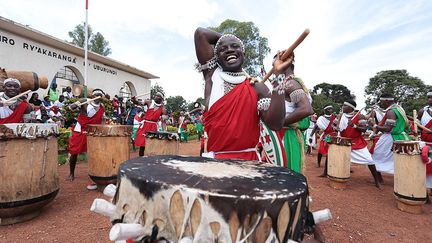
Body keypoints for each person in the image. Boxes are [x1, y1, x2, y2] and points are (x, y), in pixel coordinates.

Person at [194, 28, 286, 160]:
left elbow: (275, 124)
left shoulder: (258, 88)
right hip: (215, 165)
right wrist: (228, 38)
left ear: (244, 53)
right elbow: (200, 34)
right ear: (217, 58)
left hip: (248, 164)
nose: (229, 50)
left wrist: (279, 77)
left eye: (235, 46)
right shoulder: (212, 77)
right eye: (223, 49)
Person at [274, 56, 313, 173]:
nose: (273, 68)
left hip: (286, 136)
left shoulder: (290, 83)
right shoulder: (288, 82)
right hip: (286, 135)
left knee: (284, 176)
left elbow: (306, 109)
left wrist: (278, 123)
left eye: (274, 63)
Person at [337, 100, 381, 187]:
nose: (343, 107)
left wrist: (354, 126)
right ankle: (335, 175)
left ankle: (377, 181)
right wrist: (336, 128)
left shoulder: (360, 116)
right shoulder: (341, 115)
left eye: (345, 106)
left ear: (351, 108)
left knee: (369, 160)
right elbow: (337, 126)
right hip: (344, 141)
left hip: (356, 142)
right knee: (336, 157)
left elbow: (364, 129)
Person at [66, 89, 105, 181]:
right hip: (80, 130)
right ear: (92, 96)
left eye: (99, 95)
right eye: (96, 95)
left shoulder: (102, 106)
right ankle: (71, 173)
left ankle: (96, 172)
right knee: (74, 152)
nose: (97, 97)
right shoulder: (84, 101)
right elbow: (70, 107)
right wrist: (73, 106)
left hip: (92, 131)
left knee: (95, 152)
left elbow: (102, 119)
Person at [370, 93, 411, 176]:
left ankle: (379, 180)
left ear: (386, 101)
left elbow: (388, 128)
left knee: (374, 157)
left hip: (390, 138)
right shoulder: (400, 109)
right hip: (402, 137)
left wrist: (375, 125)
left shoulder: (391, 112)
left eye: (381, 102)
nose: (381, 104)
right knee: (399, 159)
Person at [134, 92, 166, 156]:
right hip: (145, 125)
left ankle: (150, 160)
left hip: (153, 126)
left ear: (161, 99)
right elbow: (138, 103)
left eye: (159, 96)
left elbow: (163, 120)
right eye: (156, 95)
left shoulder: (162, 108)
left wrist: (164, 130)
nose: (156, 97)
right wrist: (134, 100)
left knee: (152, 144)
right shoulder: (149, 102)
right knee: (142, 144)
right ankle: (141, 159)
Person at [310, 105, 337, 171]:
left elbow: (338, 126)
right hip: (326, 136)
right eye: (329, 109)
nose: (331, 110)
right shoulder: (321, 118)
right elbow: (315, 127)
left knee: (333, 150)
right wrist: (311, 135)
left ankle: (332, 164)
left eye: (331, 109)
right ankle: (318, 163)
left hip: (334, 136)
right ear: (325, 110)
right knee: (321, 150)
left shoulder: (335, 117)